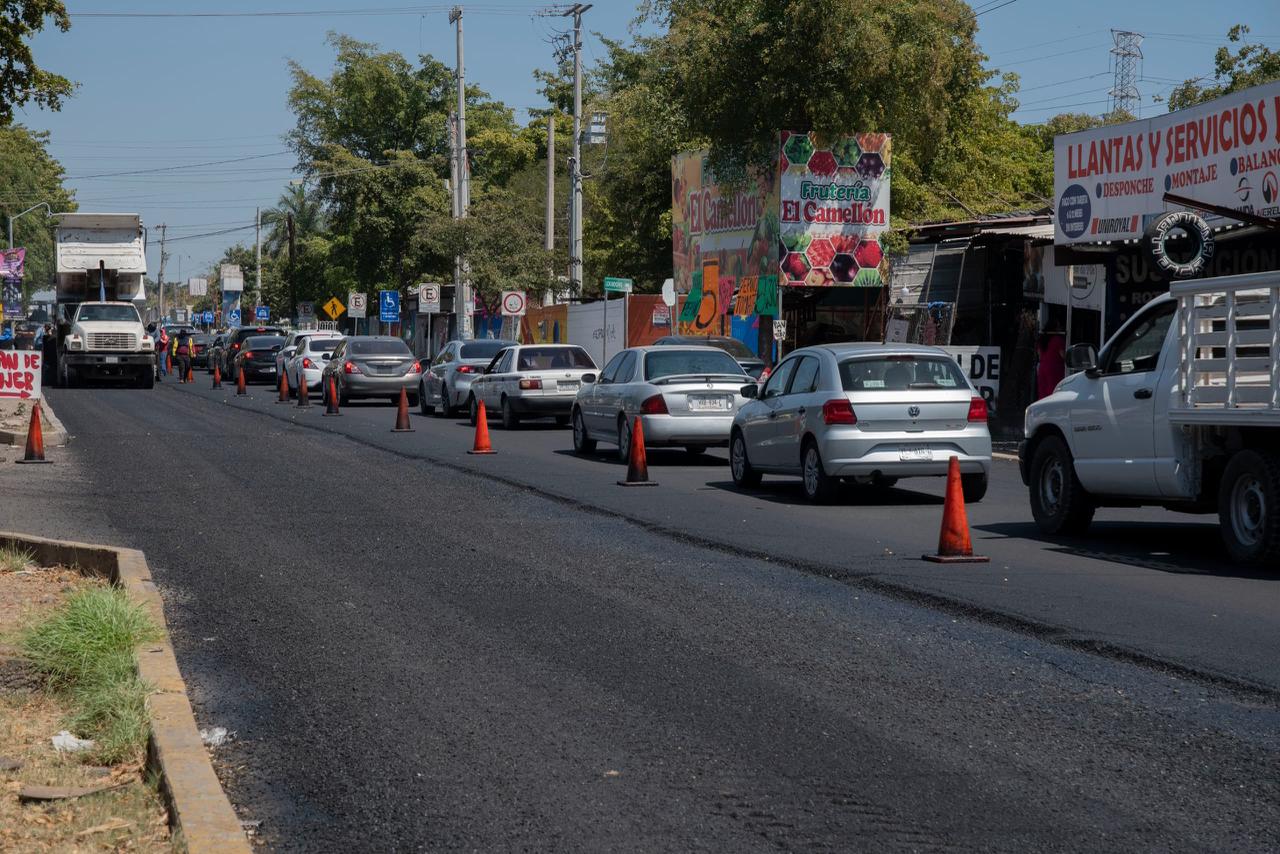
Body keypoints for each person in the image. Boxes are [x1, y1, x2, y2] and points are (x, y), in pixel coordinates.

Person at [1036, 324, 1066, 400]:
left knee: (1042, 391)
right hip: (1054, 368)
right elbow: (1063, 355)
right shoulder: (1057, 340)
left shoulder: (1042, 340)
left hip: (1042, 366)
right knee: (1053, 390)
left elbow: (1039, 354)